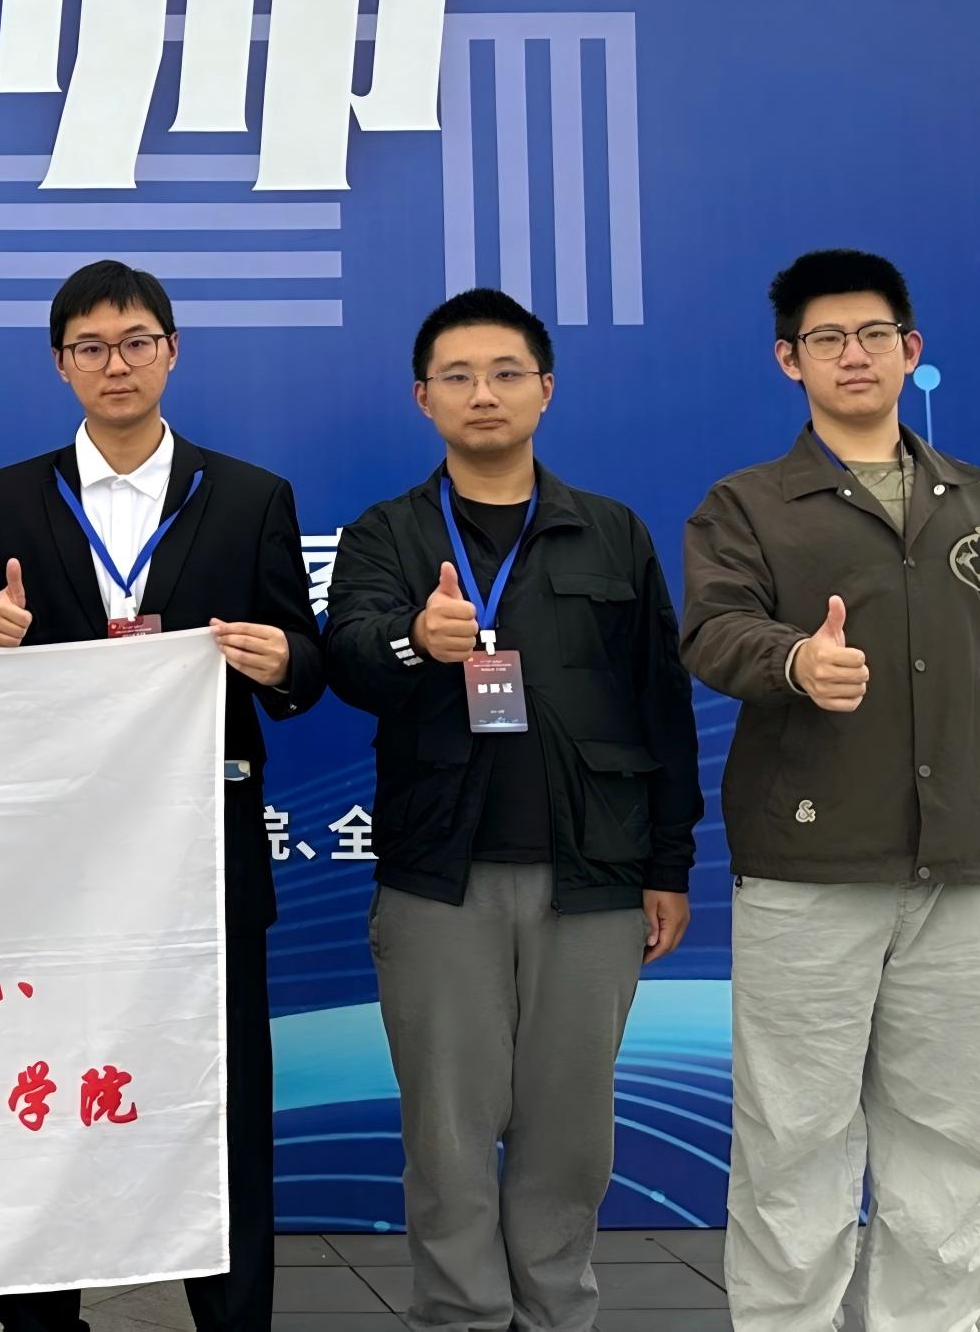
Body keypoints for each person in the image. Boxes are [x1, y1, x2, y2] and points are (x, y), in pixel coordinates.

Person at [683, 249, 980, 1332]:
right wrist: (795, 661)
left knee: (954, 1140)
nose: (851, 355)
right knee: (792, 1141)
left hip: (963, 872)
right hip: (807, 870)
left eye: (871, 335)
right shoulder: (747, 505)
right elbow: (710, 630)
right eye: (824, 339)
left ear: (910, 349)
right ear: (787, 361)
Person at [0, 259, 320, 1332]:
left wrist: (280, 660)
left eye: (136, 342)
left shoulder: (248, 495)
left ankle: (231, 1317)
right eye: (91, 347)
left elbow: (305, 659)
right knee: (40, 1084)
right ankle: (38, 1314)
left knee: (220, 1097)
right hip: (48, 861)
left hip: (200, 854)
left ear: (171, 350)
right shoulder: (4, 498)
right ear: (60, 364)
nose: (116, 364)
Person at [325, 288, 701, 1332]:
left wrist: (667, 865)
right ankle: (460, 1316)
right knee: (446, 1133)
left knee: (570, 1134)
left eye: (504, 372)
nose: (481, 392)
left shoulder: (610, 532)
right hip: (439, 879)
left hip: (595, 878)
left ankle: (556, 1313)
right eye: (456, 375)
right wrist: (415, 639)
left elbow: (661, 707)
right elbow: (347, 657)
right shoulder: (387, 532)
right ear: (423, 398)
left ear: (544, 389)